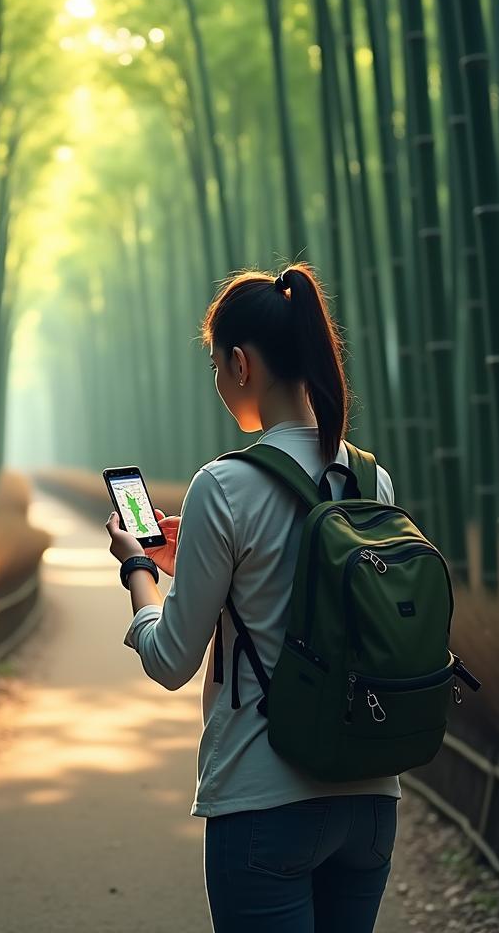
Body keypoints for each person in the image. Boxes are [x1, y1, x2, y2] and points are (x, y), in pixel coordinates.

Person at [105, 264, 400, 933]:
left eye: (214, 363)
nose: (216, 380)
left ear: (239, 363)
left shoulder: (225, 485)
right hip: (372, 803)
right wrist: (198, 566)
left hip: (264, 802)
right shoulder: (370, 477)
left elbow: (170, 661)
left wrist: (137, 572)